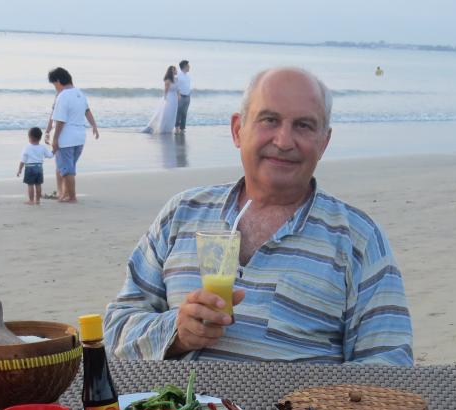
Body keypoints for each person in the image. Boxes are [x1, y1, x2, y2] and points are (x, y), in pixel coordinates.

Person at [102, 67, 413, 365]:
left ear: (324, 142)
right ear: (238, 130)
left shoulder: (358, 239)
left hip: (301, 405)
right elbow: (116, 330)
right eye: (269, 120)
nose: (284, 141)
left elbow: (389, 361)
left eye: (304, 126)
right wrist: (177, 332)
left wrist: (308, 400)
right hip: (180, 404)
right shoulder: (182, 214)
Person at [45, 67, 100, 204]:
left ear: (58, 81)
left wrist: (55, 139)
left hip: (66, 138)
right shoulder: (79, 93)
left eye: (54, 84)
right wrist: (94, 125)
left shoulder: (63, 96)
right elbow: (87, 111)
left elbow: (60, 120)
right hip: (80, 138)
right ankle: (63, 194)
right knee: (65, 167)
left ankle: (71, 197)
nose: (55, 87)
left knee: (67, 170)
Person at [17, 127, 54, 204]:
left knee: (30, 185)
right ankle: (37, 200)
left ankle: (31, 200)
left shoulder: (27, 147)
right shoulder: (42, 147)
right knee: (38, 184)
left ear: (30, 137)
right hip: (39, 168)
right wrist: (54, 150)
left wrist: (20, 169)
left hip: (30, 168)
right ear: (40, 138)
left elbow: (23, 160)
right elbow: (50, 155)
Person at [141, 65, 180, 135]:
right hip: (169, 98)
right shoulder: (168, 80)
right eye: (175, 70)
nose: (176, 71)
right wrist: (165, 98)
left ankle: (169, 129)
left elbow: (177, 89)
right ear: (171, 71)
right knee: (166, 114)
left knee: (172, 114)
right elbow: (166, 90)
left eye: (176, 69)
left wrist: (179, 96)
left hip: (175, 99)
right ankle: (162, 128)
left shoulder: (177, 79)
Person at [174, 60, 193, 132]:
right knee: (178, 112)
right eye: (188, 65)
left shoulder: (188, 76)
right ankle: (177, 127)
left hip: (187, 96)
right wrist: (178, 95)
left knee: (184, 113)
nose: (189, 67)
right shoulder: (178, 75)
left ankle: (182, 128)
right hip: (181, 96)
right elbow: (176, 86)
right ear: (184, 66)